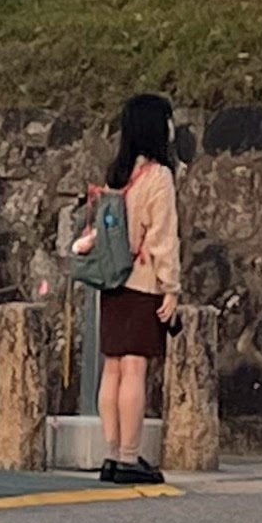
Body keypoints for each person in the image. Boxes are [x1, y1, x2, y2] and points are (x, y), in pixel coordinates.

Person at [73, 91, 181, 483]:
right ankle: (131, 457)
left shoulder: (116, 174)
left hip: (111, 280)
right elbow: (163, 237)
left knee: (113, 368)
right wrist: (171, 288)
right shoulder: (159, 177)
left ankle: (112, 453)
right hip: (143, 279)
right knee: (135, 367)